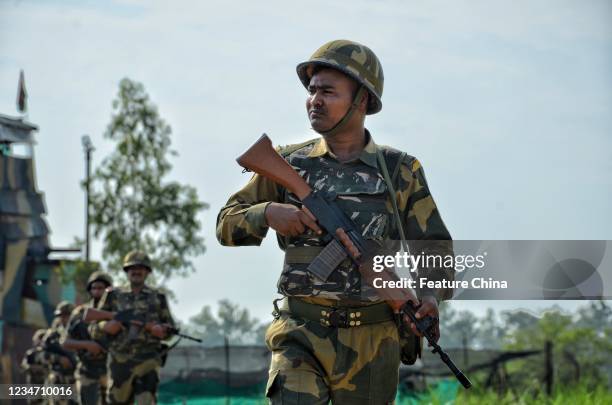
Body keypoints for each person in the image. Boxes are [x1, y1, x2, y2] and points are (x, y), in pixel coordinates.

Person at [217, 39, 454, 404]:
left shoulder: (400, 171)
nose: (315, 100)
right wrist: (268, 213)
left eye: (328, 91)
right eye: (312, 91)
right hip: (300, 333)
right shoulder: (287, 164)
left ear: (361, 100)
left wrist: (431, 297)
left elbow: (435, 247)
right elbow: (225, 224)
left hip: (373, 340)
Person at [94, 250, 175, 404]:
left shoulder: (158, 297)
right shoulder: (113, 295)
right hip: (120, 360)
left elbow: (170, 329)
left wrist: (162, 331)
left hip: (148, 359)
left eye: (141, 268)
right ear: (126, 271)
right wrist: (107, 326)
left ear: (147, 272)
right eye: (132, 268)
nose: (136, 271)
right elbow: (94, 327)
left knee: (146, 399)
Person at [62, 271, 113, 405]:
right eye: (94, 288)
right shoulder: (80, 312)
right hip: (88, 370)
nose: (97, 291)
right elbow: (65, 342)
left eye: (101, 288)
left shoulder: (115, 311)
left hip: (111, 369)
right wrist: (87, 345)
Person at [43, 300, 78, 405]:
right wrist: (58, 359)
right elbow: (42, 355)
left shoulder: (79, 332)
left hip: (75, 380)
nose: (64, 318)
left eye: (67, 315)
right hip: (58, 380)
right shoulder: (52, 335)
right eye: (61, 316)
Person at [21, 329, 48, 405]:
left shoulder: (48, 354)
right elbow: (24, 366)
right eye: (39, 339)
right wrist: (33, 367)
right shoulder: (31, 353)